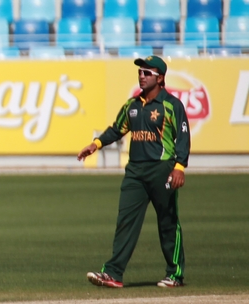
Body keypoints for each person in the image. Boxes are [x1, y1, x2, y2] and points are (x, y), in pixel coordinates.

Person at [78, 55, 191, 288]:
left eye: (147, 72)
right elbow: (117, 130)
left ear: (160, 78)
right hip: (135, 172)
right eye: (140, 72)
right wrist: (96, 144)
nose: (141, 75)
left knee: (168, 221)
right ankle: (113, 273)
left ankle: (175, 273)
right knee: (125, 221)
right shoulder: (132, 105)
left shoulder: (171, 105)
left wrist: (179, 167)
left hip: (162, 169)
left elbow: (183, 138)